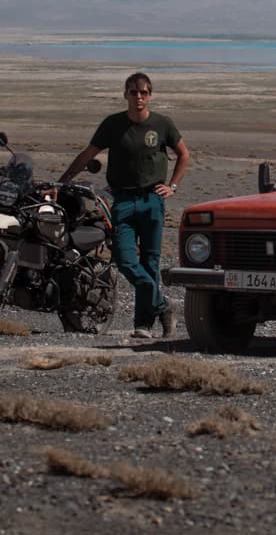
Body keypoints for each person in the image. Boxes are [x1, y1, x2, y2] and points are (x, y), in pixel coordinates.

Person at [60, 72, 189, 340]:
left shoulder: (162, 124)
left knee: (150, 262)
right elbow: (88, 154)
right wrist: (62, 182)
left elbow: (184, 155)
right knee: (125, 259)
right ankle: (164, 305)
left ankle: (143, 324)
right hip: (123, 201)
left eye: (143, 92)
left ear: (150, 95)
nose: (138, 97)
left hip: (152, 200)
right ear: (125, 94)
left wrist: (173, 186)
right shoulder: (113, 124)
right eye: (133, 92)